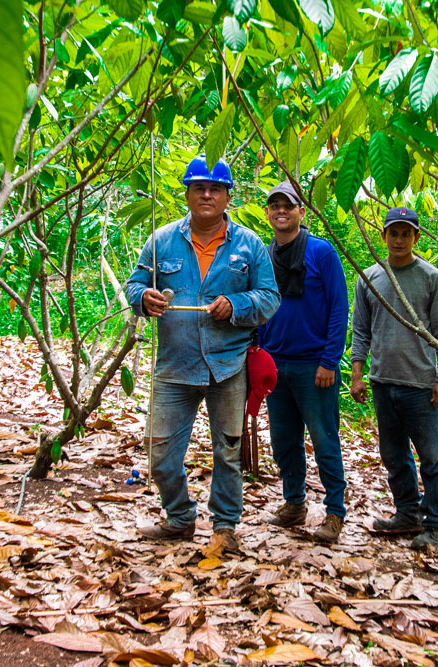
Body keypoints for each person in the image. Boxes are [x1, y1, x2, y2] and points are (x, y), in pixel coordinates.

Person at [125, 155, 280, 550]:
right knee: (159, 455)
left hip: (227, 366)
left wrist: (237, 305)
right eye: (199, 187)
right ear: (188, 194)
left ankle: (225, 528)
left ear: (228, 196)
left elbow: (269, 298)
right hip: (174, 366)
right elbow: (134, 284)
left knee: (228, 451)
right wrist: (144, 297)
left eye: (215, 188)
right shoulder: (160, 241)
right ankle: (179, 517)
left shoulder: (250, 245)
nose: (207, 194)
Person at [349, 207, 438, 550]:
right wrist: (358, 373)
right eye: (393, 233)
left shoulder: (431, 278)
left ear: (416, 238)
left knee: (431, 457)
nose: (398, 240)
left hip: (421, 385)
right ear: (383, 237)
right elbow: (361, 330)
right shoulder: (369, 278)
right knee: (394, 456)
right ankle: (407, 514)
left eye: (405, 233)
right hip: (383, 382)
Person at [257, 182, 349, 543]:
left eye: (288, 205)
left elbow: (339, 308)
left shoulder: (321, 253)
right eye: (275, 206)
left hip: (315, 367)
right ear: (268, 213)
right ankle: (294, 503)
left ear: (301, 212)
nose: (281, 211)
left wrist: (330, 359)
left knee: (325, 439)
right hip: (275, 365)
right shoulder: (264, 256)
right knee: (284, 440)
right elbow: (262, 308)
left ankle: (334, 513)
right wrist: (259, 358)